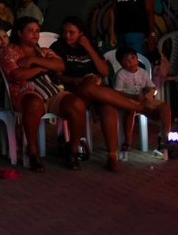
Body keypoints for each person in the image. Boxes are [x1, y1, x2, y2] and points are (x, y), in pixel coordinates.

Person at [51, 16, 149, 171]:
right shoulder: (58, 47)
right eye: (64, 32)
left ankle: (112, 157)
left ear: (81, 34)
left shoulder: (90, 46)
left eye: (72, 32)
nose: (67, 36)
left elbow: (103, 72)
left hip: (94, 89)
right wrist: (79, 79)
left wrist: (88, 47)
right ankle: (140, 107)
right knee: (89, 87)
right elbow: (57, 75)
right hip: (73, 89)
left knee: (108, 107)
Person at [0, 17, 87, 171]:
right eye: (30, 30)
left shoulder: (43, 51)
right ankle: (32, 153)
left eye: (37, 31)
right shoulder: (10, 51)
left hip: (51, 92)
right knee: (33, 104)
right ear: (20, 33)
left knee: (77, 104)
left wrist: (34, 61)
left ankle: (72, 152)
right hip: (26, 92)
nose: (35, 34)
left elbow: (60, 66)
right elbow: (17, 76)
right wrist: (43, 68)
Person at [114, 46, 174, 160]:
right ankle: (127, 142)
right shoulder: (121, 75)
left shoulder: (143, 72)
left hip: (143, 100)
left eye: (133, 58)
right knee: (130, 109)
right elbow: (117, 93)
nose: (131, 62)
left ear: (137, 58)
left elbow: (151, 87)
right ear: (121, 64)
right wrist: (133, 96)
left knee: (165, 107)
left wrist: (150, 93)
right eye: (127, 60)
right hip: (128, 100)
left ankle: (165, 139)